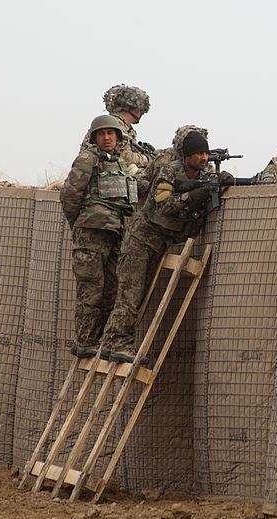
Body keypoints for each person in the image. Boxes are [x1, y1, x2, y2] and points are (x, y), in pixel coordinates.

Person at [99, 130, 230, 363]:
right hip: (141, 240)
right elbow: (164, 206)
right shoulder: (168, 172)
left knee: (137, 296)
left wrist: (224, 179)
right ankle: (117, 344)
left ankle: (113, 343)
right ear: (187, 155)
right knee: (131, 295)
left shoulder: (205, 172)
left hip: (160, 243)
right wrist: (194, 196)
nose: (204, 157)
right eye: (199, 153)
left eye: (206, 153)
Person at [60, 115, 140, 359]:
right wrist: (80, 223)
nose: (107, 138)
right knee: (91, 288)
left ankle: (99, 339)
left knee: (112, 290)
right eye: (102, 134)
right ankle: (85, 341)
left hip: (115, 233)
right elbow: (70, 193)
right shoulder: (88, 159)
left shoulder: (121, 164)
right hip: (91, 234)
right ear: (95, 137)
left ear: (118, 138)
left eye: (111, 134)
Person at [81, 84, 154, 173]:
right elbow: (125, 158)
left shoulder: (115, 123)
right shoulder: (117, 126)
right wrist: (147, 158)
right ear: (136, 110)